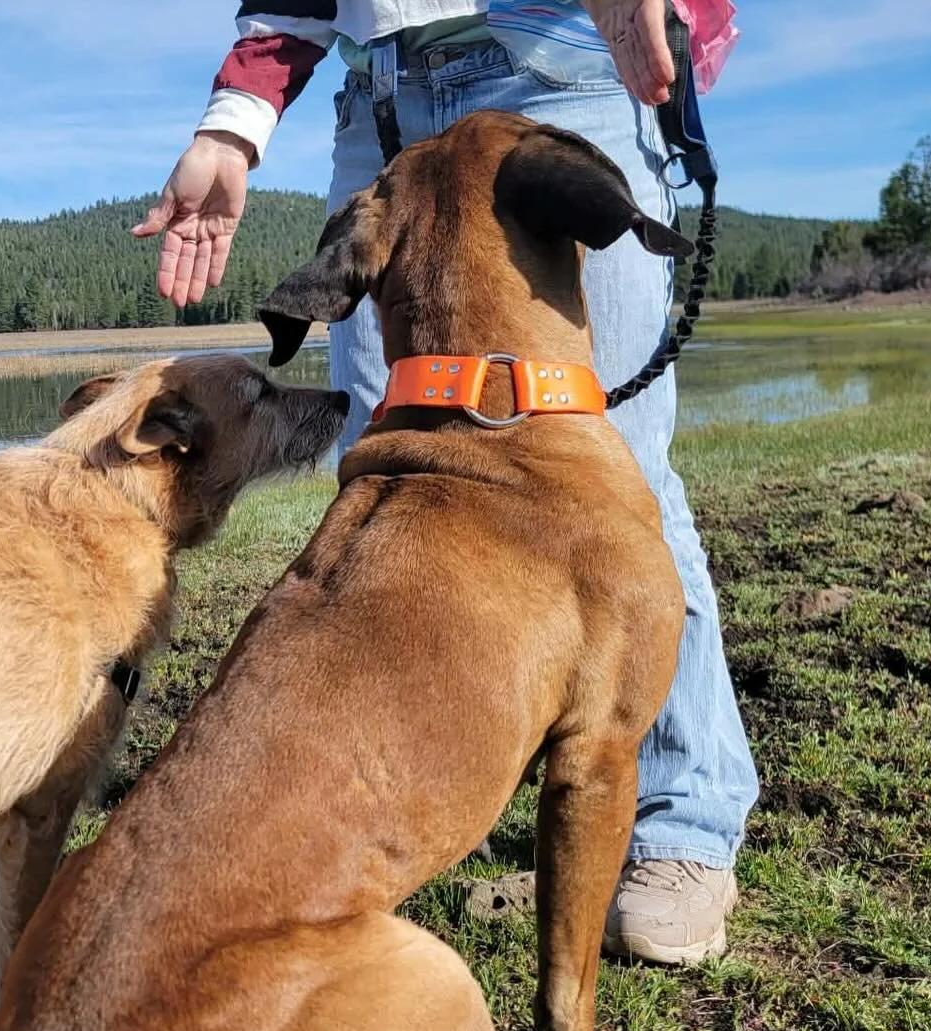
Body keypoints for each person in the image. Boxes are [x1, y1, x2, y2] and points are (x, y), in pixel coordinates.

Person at [137, 0, 759, 966]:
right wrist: (235, 121)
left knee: (618, 479)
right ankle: (455, 808)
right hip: (383, 109)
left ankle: (682, 830)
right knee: (393, 500)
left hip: (555, 73)